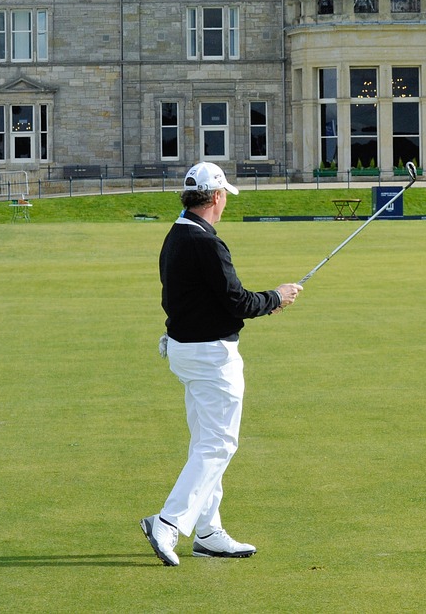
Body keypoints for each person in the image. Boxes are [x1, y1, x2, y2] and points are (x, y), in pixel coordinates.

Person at [141, 162, 304, 566]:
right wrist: (276, 297)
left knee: (205, 442)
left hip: (185, 351)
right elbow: (238, 301)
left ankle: (209, 530)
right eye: (225, 195)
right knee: (219, 444)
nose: (225, 200)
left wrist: (267, 301)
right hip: (211, 355)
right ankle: (168, 522)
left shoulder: (176, 235)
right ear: (216, 197)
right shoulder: (207, 243)